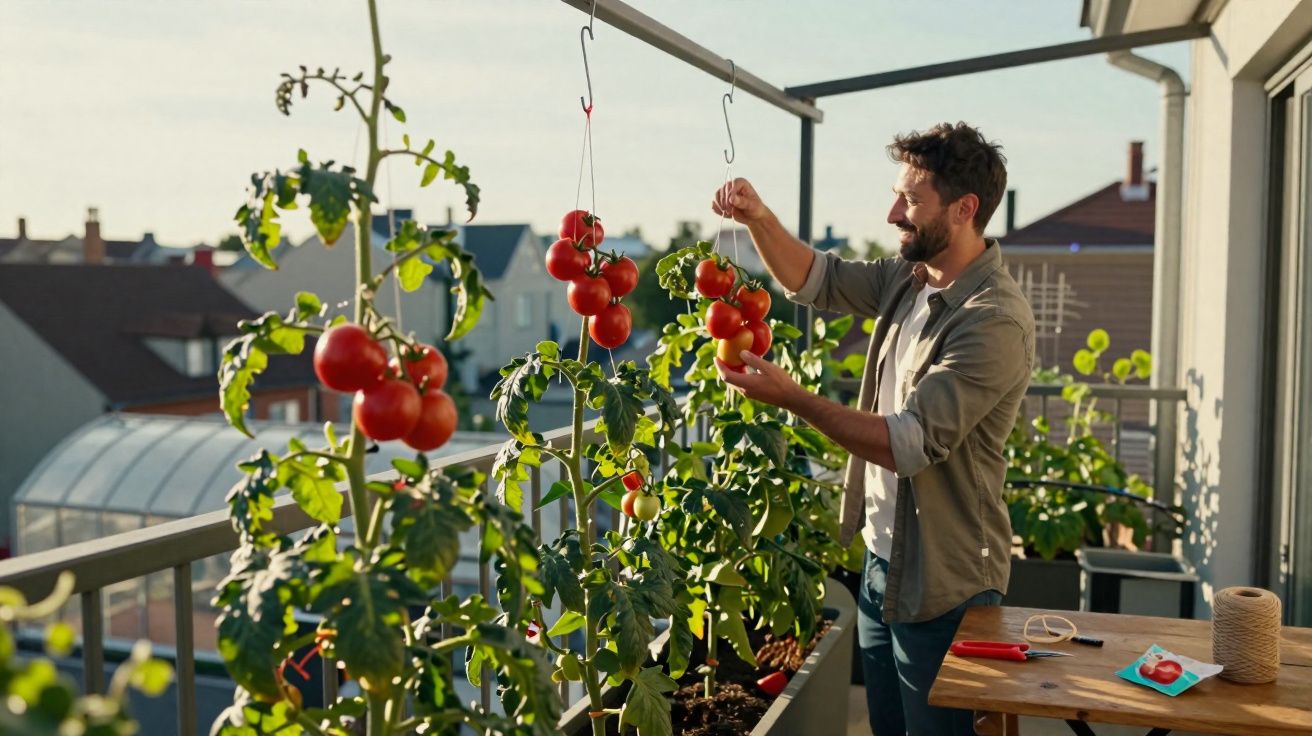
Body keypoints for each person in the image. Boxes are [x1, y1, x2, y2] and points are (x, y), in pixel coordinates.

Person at [711, 122, 1035, 735]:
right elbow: (818, 279)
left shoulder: (993, 321)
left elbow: (906, 443)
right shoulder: (912, 279)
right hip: (883, 563)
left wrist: (792, 398)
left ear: (965, 209)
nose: (893, 213)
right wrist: (758, 217)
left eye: (910, 201)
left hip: (947, 583)